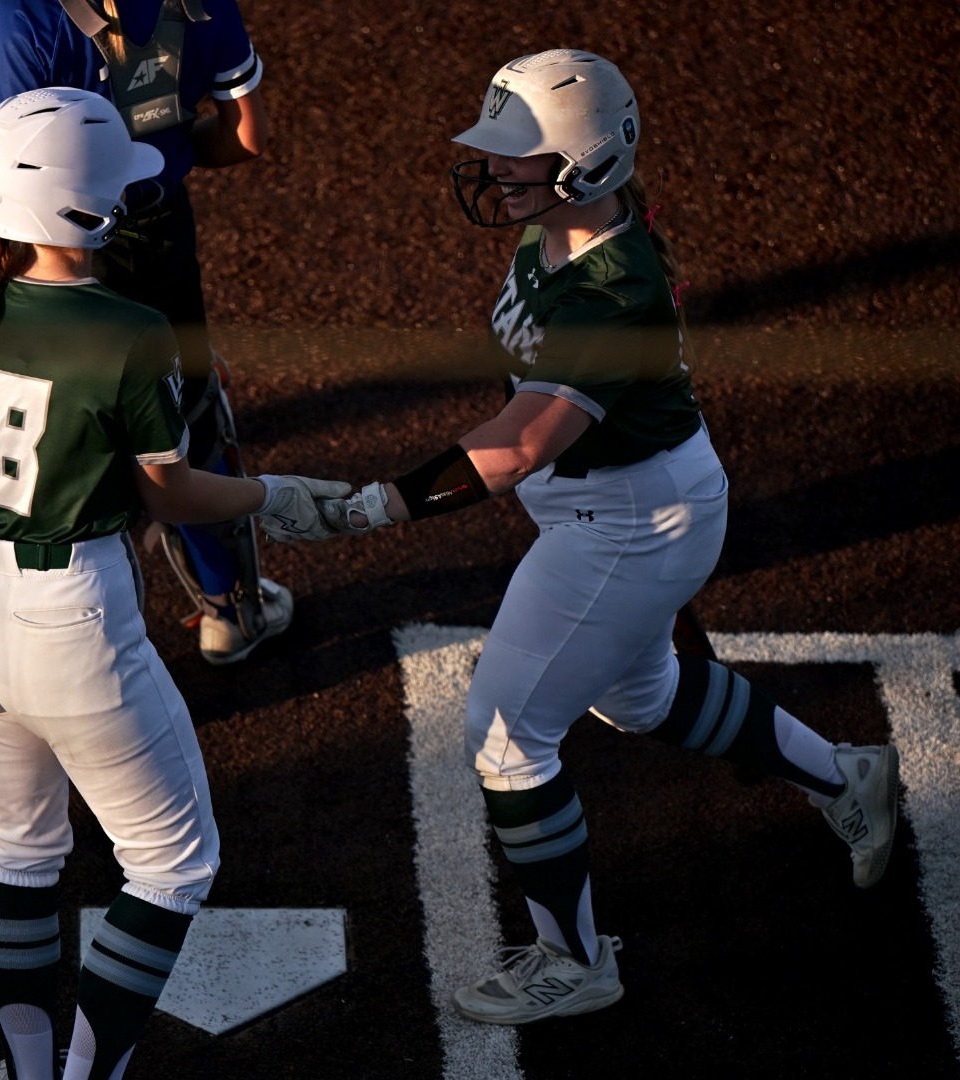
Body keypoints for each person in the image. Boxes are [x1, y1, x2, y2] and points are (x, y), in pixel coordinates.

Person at [304, 50, 903, 1025]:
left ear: (584, 165)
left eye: (518, 152)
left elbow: (520, 445)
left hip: (628, 521)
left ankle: (574, 961)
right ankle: (845, 775)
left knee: (505, 737)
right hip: (624, 508)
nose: (494, 167)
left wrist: (368, 507)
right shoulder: (555, 231)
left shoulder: (609, 293)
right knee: (642, 696)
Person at [0, 88, 342, 1080]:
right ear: (91, 207)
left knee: (18, 849)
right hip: (67, 619)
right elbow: (172, 495)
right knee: (172, 863)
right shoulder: (128, 329)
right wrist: (273, 496)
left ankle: (31, 1071)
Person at [0, 0, 279, 666]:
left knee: (68, 433)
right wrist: (163, 156)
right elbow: (246, 135)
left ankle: (64, 626)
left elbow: (14, 173)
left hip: (56, 249)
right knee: (187, 421)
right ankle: (229, 608)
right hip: (163, 246)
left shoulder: (25, 19)